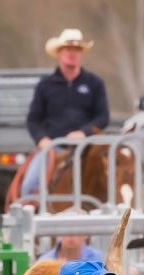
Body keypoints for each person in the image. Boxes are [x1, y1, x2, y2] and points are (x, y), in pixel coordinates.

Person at [21, 29, 109, 198]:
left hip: (88, 149)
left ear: (81, 53)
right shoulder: (45, 85)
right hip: (54, 149)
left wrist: (83, 133)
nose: (72, 53)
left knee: (117, 178)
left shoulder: (95, 83)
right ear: (59, 53)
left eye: (77, 49)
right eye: (68, 49)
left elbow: (103, 117)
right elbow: (33, 120)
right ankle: (30, 211)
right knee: (28, 188)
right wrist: (43, 140)